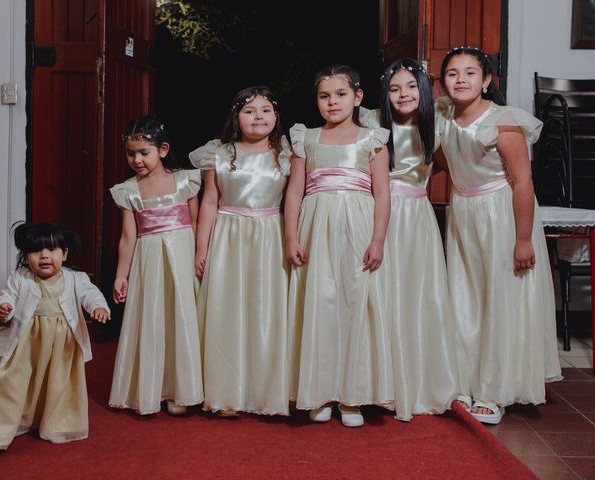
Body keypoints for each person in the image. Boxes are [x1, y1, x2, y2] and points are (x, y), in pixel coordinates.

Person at [436, 47, 562, 424]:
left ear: (487, 81)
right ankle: (463, 379)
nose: (461, 79)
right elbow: (446, 161)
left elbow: (523, 183)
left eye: (471, 73)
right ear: (443, 82)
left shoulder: (503, 123)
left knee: (498, 297)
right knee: (464, 297)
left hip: (500, 215)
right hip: (464, 213)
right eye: (453, 73)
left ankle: (494, 389)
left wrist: (523, 238)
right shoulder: (443, 119)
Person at [285, 65, 393, 427]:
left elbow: (382, 193)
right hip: (316, 227)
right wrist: (291, 235)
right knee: (320, 304)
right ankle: (319, 391)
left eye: (341, 94)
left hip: (358, 226)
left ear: (358, 98)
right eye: (324, 95)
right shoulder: (306, 138)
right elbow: (295, 191)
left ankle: (352, 397)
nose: (332, 102)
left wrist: (377, 239)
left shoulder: (372, 139)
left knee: (354, 302)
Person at [361, 58, 464, 421]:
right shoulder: (371, 123)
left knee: (419, 296)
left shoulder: (436, 124)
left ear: (424, 89)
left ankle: (421, 380)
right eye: (394, 88)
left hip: (418, 218)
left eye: (410, 86)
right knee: (382, 294)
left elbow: (453, 159)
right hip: (381, 216)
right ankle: (379, 382)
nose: (403, 94)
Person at [190, 86, 291, 417]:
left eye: (265, 110)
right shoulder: (218, 154)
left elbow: (296, 200)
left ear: (276, 117)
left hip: (270, 236)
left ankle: (266, 392)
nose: (258, 116)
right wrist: (201, 247)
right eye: (249, 110)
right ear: (236, 117)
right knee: (227, 310)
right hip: (228, 236)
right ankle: (225, 393)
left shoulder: (288, 154)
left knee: (266, 311)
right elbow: (209, 201)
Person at [108, 115, 203, 415]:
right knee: (153, 317)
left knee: (182, 317)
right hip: (149, 258)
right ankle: (154, 387)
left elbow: (198, 221)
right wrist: (121, 276)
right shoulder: (128, 190)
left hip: (182, 252)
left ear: (162, 150)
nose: (136, 160)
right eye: (130, 153)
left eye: (144, 152)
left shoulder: (185, 180)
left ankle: (181, 389)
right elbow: (127, 236)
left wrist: (202, 254)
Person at [0, 222, 110, 450]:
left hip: (63, 346)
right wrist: (3, 307)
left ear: (64, 254)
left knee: (58, 384)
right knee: (15, 382)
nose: (44, 256)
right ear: (25, 256)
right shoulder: (21, 278)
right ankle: (1, 432)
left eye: (52, 250)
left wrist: (98, 308)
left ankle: (57, 424)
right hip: (29, 343)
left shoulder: (76, 278)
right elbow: (7, 296)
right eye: (36, 251)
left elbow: (91, 294)